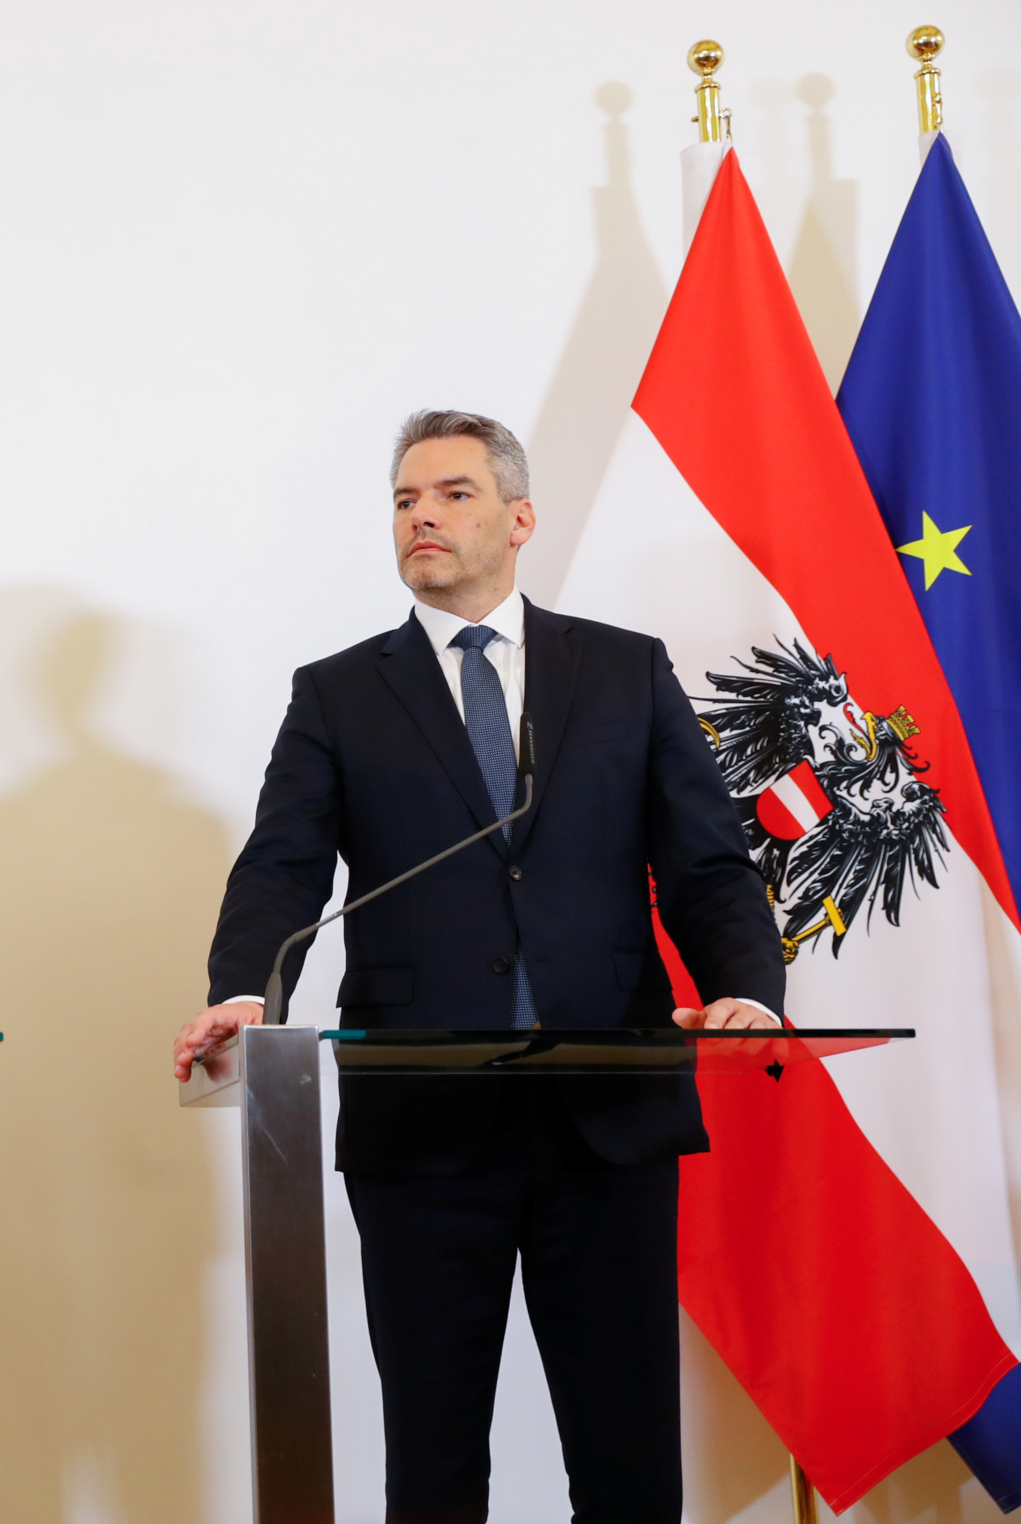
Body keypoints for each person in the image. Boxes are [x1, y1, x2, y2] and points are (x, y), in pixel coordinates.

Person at [172, 412, 783, 1523]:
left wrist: (744, 985)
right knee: (435, 1453)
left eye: (450, 494)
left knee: (627, 1454)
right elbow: (281, 870)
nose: (421, 516)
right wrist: (244, 994)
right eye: (404, 499)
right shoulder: (339, 693)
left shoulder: (623, 672)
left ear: (517, 517)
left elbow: (703, 862)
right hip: (421, 1124)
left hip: (606, 1114)